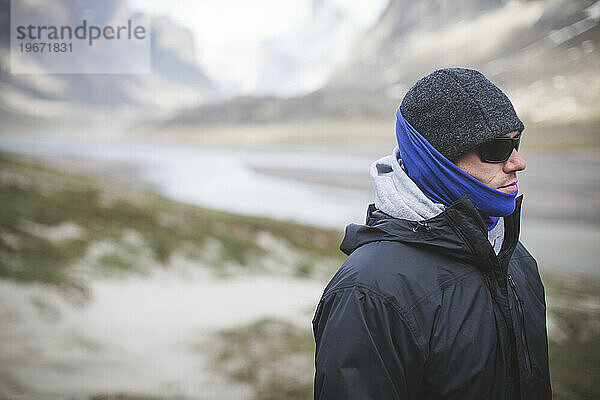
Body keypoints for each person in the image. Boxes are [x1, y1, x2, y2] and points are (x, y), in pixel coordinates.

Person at [312, 68, 551, 399]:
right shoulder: (369, 291)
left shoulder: (515, 258)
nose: (518, 162)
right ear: (437, 160)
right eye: (497, 149)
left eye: (516, 143)